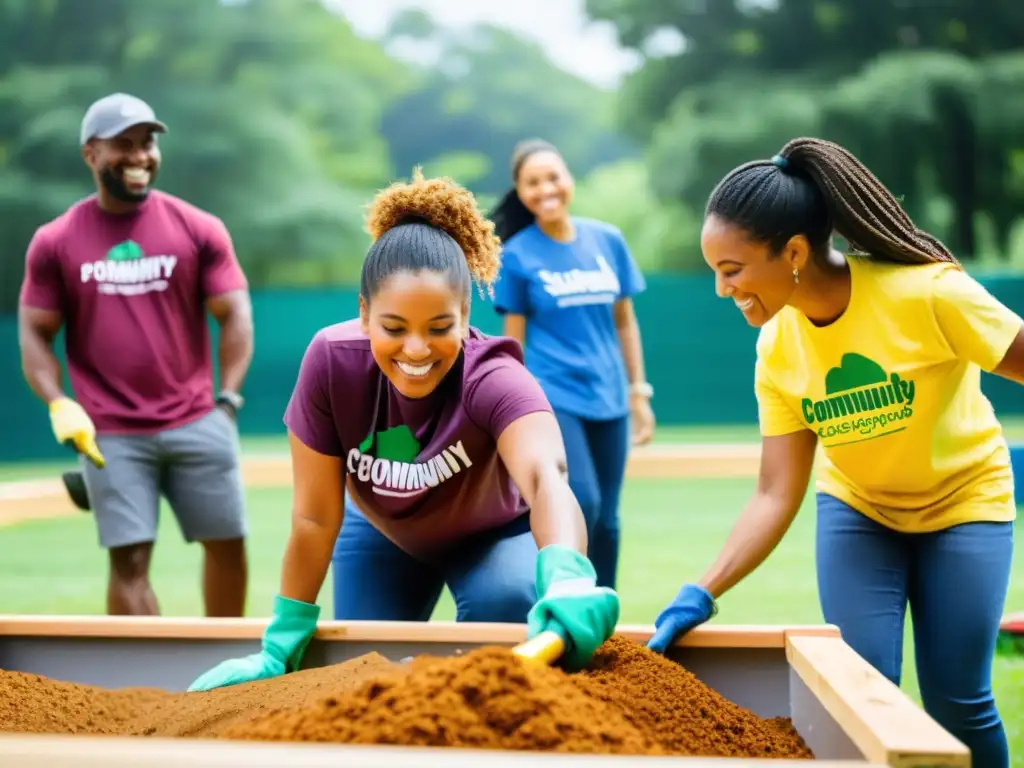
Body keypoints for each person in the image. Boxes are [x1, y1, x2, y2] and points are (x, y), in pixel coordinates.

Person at [646, 137, 1024, 768]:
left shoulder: (928, 293)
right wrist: (701, 591)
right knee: (861, 698)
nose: (720, 288)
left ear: (792, 252)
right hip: (860, 514)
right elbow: (774, 492)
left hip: (966, 506)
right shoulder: (777, 348)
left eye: (732, 268)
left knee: (959, 702)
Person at [186, 170, 620, 692]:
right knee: (359, 673)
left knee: (506, 607)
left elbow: (548, 477)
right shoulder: (330, 363)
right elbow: (313, 516)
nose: (416, 350)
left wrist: (568, 573)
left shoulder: (495, 376)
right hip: (381, 532)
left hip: (490, 538)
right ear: (365, 313)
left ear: (465, 315)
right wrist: (281, 639)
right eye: (394, 328)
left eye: (440, 328)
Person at [17, 92, 253, 618]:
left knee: (228, 546)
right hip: (110, 434)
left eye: (147, 142)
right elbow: (35, 331)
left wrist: (228, 402)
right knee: (128, 563)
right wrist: (59, 402)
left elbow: (234, 314)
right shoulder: (55, 241)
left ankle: (232, 682)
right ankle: (147, 695)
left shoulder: (198, 228)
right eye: (122, 144)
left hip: (198, 420)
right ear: (90, 154)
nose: (140, 155)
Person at [489, 138, 655, 590]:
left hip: (609, 395)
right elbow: (513, 341)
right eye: (532, 182)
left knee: (609, 520)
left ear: (569, 179)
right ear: (520, 192)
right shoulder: (519, 254)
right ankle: (565, 600)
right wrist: (511, 407)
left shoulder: (608, 241)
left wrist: (638, 392)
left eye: (553, 177)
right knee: (582, 500)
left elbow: (625, 323)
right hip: (554, 395)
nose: (545, 189)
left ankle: (604, 617)